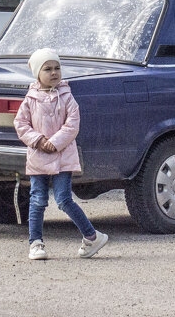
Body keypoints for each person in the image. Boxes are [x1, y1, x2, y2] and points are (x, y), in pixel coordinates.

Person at [14, 48, 109, 261]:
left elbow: (72, 124)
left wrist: (55, 143)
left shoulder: (67, 96)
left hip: (63, 158)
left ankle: (92, 236)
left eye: (57, 68)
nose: (54, 73)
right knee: (37, 199)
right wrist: (39, 140)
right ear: (37, 73)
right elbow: (20, 124)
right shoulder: (30, 99)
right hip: (38, 157)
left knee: (64, 199)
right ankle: (36, 243)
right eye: (47, 69)